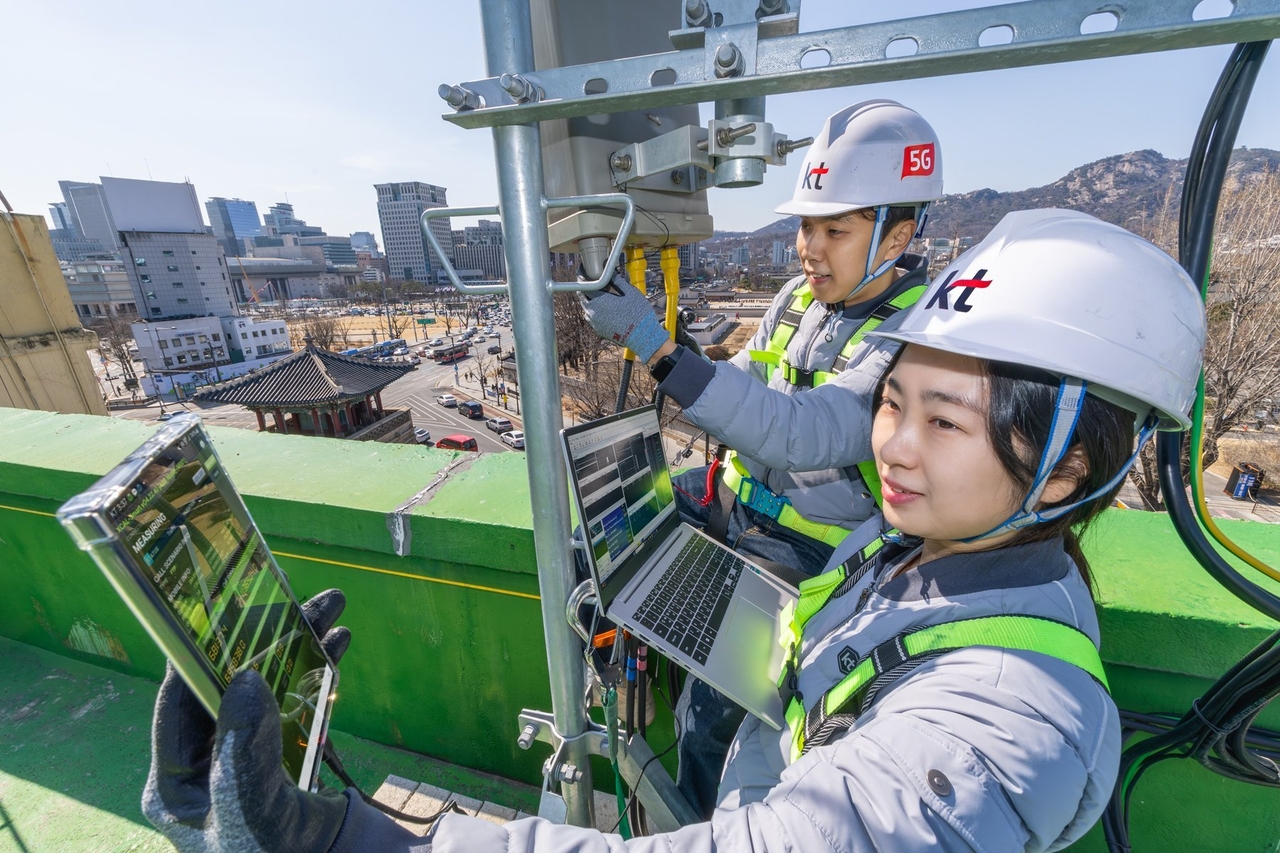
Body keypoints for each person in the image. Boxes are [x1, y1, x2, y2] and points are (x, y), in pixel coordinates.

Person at [143, 208, 1207, 852]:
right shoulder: (928, 550)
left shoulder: (1005, 730)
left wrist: (338, 836)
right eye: (895, 401)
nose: (891, 442)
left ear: (1065, 465)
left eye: (943, 420)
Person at [581, 98, 945, 812]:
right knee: (595, 532)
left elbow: (804, 431)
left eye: (834, 229)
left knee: (708, 719)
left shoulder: (916, 336)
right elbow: (741, 382)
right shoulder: (796, 300)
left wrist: (655, 347)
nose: (808, 246)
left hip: (806, 557)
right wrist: (673, 351)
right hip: (732, 499)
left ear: (897, 235)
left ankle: (687, 822)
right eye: (807, 224)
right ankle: (613, 657)